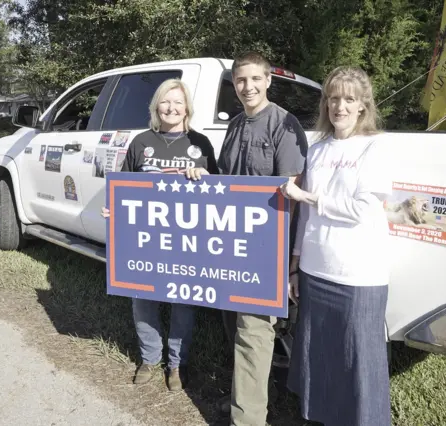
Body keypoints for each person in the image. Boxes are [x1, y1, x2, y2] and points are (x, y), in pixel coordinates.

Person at [186, 51, 308, 426]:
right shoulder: (237, 125)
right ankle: (246, 395)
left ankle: (247, 418)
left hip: (265, 252)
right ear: (233, 85)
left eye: (255, 79)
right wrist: (205, 177)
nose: (248, 87)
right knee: (233, 328)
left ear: (268, 81)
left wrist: (290, 263)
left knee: (253, 332)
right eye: (241, 80)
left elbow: (293, 192)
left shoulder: (284, 125)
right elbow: (227, 180)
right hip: (231, 249)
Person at [279, 66, 393, 426]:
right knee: (320, 356)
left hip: (357, 274)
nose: (339, 106)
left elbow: (362, 209)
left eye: (348, 99)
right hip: (314, 269)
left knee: (359, 361)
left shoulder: (375, 147)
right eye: (333, 98)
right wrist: (295, 266)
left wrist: (308, 196)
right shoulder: (318, 149)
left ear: (362, 106)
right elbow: (306, 221)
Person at [102, 78, 219, 391]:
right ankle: (150, 359)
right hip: (145, 242)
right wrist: (113, 210)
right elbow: (122, 189)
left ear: (187, 108)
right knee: (143, 300)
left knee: (184, 302)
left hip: (186, 241)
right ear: (156, 107)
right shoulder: (141, 142)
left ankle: (176, 364)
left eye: (178, 102)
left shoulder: (201, 144)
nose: (171, 108)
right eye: (165, 102)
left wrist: (204, 176)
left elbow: (220, 196)